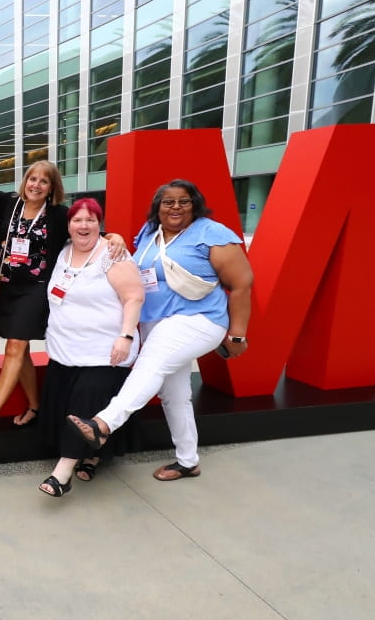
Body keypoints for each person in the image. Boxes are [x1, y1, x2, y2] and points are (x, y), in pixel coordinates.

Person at [67, 179, 253, 481]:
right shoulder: (150, 233)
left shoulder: (212, 233)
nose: (175, 207)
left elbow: (242, 283)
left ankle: (103, 424)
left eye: (184, 201)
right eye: (168, 202)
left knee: (150, 364)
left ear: (195, 204)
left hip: (200, 319)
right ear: (158, 207)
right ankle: (188, 460)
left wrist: (237, 334)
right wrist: (113, 237)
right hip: (156, 322)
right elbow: (129, 257)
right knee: (174, 394)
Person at [0, 162, 122, 440]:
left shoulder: (58, 214)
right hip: (5, 289)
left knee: (15, 345)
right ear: (25, 181)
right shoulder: (8, 203)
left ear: (52, 188)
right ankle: (35, 406)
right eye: (32, 179)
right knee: (19, 347)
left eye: (44, 181)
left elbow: (88, 229)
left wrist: (115, 236)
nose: (36, 185)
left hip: (36, 291)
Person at [36, 199, 143, 496]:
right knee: (69, 409)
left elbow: (134, 296)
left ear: (100, 224)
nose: (83, 225)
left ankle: (62, 473)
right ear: (68, 225)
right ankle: (92, 455)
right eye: (77, 220)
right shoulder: (63, 252)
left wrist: (126, 336)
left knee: (85, 408)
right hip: (64, 352)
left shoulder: (113, 254)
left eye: (91, 220)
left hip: (104, 353)